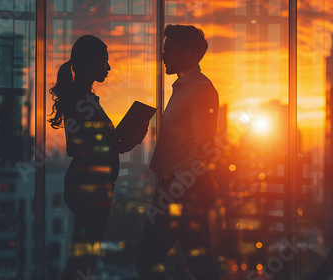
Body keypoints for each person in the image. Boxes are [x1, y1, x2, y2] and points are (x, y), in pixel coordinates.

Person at [48, 35, 146, 280]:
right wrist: (119, 143)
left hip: (91, 186)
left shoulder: (82, 97)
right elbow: (79, 146)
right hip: (89, 188)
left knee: (84, 258)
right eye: (105, 61)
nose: (109, 68)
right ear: (91, 62)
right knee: (83, 260)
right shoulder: (80, 99)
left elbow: (92, 143)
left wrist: (118, 143)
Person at [135, 25, 220, 279]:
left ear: (187, 52)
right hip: (180, 188)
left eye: (168, 50)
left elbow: (203, 148)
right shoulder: (184, 88)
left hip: (182, 190)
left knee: (147, 261)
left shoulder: (201, 89)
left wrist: (175, 189)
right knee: (200, 265)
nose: (162, 56)